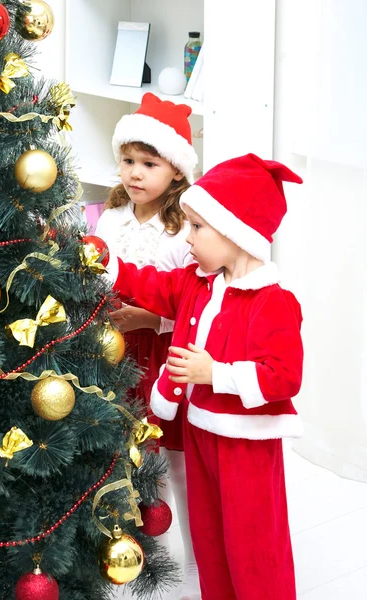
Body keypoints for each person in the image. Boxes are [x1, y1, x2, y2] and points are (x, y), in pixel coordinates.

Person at [104, 153, 304, 600]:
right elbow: (151, 283)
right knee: (210, 535)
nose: (187, 237)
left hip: (246, 445)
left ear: (234, 232)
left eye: (198, 227)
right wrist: (108, 264)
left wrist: (216, 373)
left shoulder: (273, 302)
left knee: (253, 542)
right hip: (199, 433)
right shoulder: (196, 282)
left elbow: (285, 376)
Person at [94, 92, 201, 599]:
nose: (134, 173)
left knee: (167, 454)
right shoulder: (111, 219)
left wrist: (150, 318)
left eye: (148, 164)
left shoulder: (183, 232)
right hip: (108, 348)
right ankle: (124, 543)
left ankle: (196, 553)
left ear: (175, 173)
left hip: (156, 354)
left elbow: (189, 302)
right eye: (128, 161)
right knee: (117, 448)